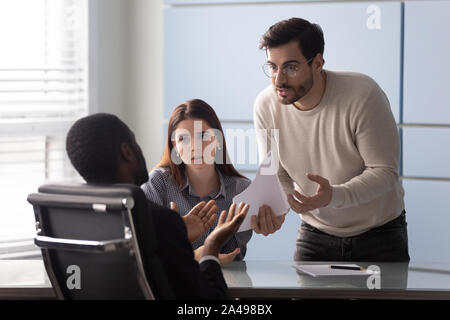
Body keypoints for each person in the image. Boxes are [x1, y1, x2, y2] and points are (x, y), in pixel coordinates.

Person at [253, 17, 410, 262]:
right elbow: (275, 172)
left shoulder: (363, 94)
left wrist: (333, 196)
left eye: (291, 67)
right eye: (272, 67)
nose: (279, 80)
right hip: (315, 233)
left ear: (317, 63)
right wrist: (281, 205)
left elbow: (384, 172)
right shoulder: (265, 105)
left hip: (380, 233)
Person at [65, 113, 249, 299]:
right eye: (135, 142)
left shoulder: (72, 220)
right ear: (127, 151)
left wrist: (179, 236)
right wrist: (212, 244)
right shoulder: (156, 219)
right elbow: (207, 299)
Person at [142, 99, 285, 264]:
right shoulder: (158, 183)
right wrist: (180, 237)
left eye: (203, 136)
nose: (195, 146)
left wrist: (266, 223)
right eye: (183, 139)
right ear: (175, 147)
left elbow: (233, 257)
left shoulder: (242, 190)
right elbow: (144, 249)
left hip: (225, 283)